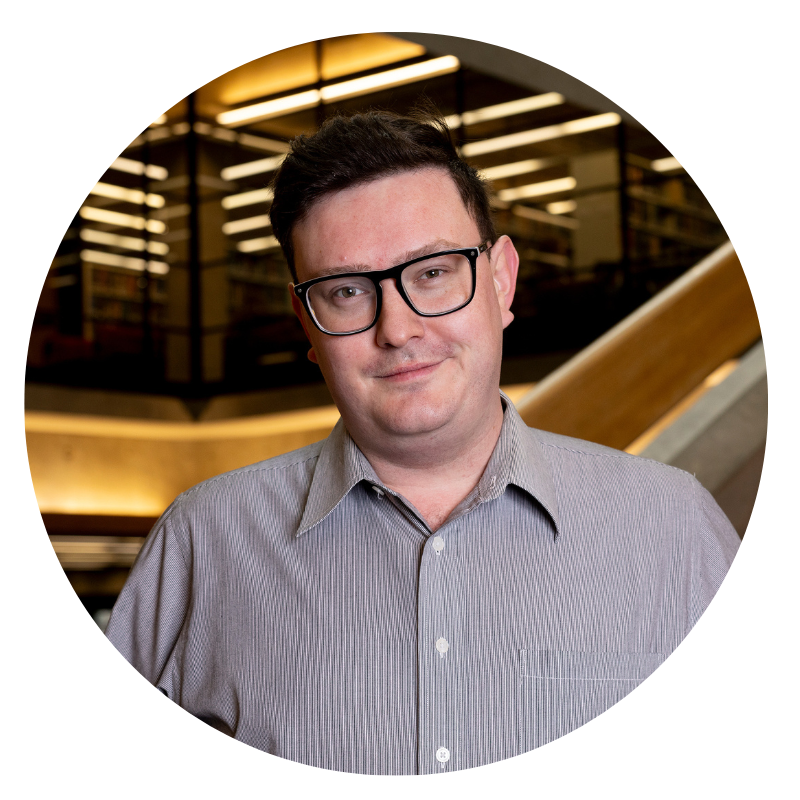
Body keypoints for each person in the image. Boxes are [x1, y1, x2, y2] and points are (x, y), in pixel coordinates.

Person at [105, 108, 740, 775]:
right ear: (307, 322)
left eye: (433, 273)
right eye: (347, 291)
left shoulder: (674, 525)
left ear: (502, 280)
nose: (399, 329)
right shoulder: (202, 543)